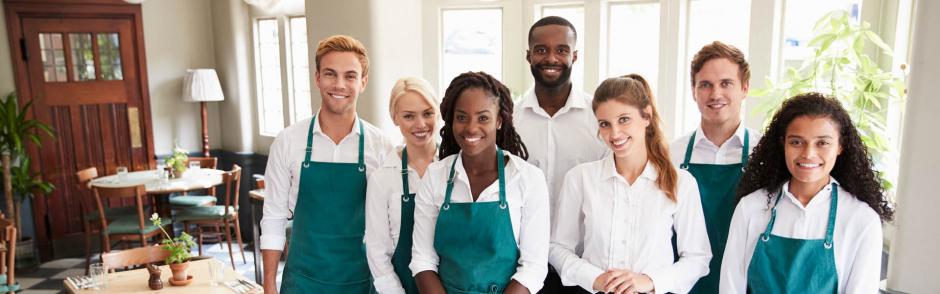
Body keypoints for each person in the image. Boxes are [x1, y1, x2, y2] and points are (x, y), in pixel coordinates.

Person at [551, 74, 711, 294]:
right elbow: (558, 248)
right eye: (605, 124)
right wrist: (597, 278)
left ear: (646, 116)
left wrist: (649, 281)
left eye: (624, 119)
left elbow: (697, 258)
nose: (614, 134)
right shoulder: (580, 179)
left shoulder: (681, 183)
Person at [720, 92, 893, 293]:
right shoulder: (751, 208)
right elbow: (730, 285)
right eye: (796, 142)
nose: (808, 153)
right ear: (783, 143)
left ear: (840, 146)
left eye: (822, 143)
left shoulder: (861, 219)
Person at [260, 35, 393, 293]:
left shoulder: (381, 147)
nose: (339, 84)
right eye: (330, 74)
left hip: (362, 281)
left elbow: (390, 226)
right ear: (317, 78)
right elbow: (274, 217)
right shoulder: (287, 142)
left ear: (363, 82)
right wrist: (268, 285)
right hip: (302, 282)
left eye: (350, 76)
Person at [410, 71, 550, 294]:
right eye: (462, 117)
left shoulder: (527, 178)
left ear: (499, 120)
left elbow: (533, 267)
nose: (471, 128)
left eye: (483, 117)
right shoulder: (435, 176)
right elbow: (422, 259)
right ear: (451, 120)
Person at [514, 17, 608, 292]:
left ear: (574, 56)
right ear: (529, 55)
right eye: (541, 50)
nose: (551, 58)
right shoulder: (511, 120)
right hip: (522, 266)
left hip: (584, 266)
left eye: (561, 50)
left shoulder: (599, 118)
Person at [668, 41, 762, 294]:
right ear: (693, 91)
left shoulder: (764, 153)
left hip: (746, 283)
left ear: (744, 88)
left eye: (726, 83)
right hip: (684, 285)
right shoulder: (671, 154)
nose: (715, 94)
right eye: (705, 85)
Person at [365, 77, 440, 294]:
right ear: (394, 118)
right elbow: (378, 253)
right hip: (400, 287)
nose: (420, 124)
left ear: (438, 112)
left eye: (427, 113)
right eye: (409, 116)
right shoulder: (383, 178)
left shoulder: (455, 166)